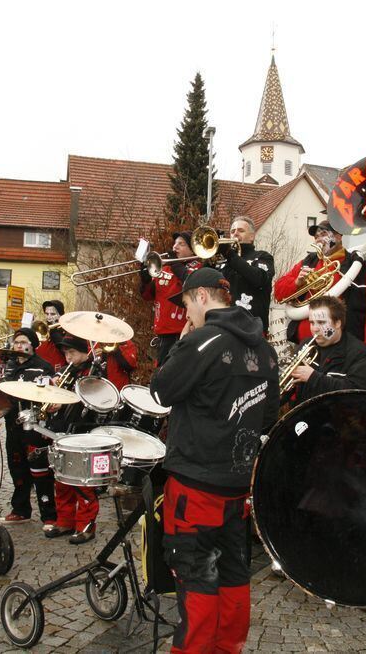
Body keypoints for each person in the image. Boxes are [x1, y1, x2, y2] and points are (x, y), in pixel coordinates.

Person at [151, 267, 280, 653]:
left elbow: (161, 392)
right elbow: (270, 414)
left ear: (202, 298)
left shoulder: (202, 340)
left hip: (196, 486)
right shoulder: (265, 347)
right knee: (233, 572)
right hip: (237, 485)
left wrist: (180, 343)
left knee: (196, 577)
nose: (185, 314)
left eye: (187, 304)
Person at [274, 221, 366, 352]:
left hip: (344, 349)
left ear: (338, 236)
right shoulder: (309, 262)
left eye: (324, 234)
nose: (319, 240)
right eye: (316, 237)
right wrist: (297, 283)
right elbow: (278, 292)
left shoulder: (363, 269)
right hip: (306, 346)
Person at [45, 334, 101, 544]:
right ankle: (65, 520)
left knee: (81, 481)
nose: (68, 357)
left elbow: (91, 399)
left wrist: (66, 399)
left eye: (73, 353)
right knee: (61, 478)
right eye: (66, 353)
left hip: (82, 429)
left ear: (85, 353)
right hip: (63, 429)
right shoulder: (68, 371)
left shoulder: (93, 371)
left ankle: (86, 525)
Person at [1, 328, 57, 527]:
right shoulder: (9, 366)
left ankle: (49, 514)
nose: (18, 345)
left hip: (34, 426)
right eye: (16, 342)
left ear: (32, 345)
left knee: (40, 470)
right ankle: (20, 509)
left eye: (23, 342)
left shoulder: (44, 367)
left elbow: (52, 393)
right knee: (17, 468)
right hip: (12, 424)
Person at [283, 295, 366, 406]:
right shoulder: (306, 345)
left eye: (321, 322)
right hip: (304, 417)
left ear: (338, 323)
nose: (315, 328)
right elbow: (289, 386)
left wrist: (313, 377)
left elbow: (356, 393)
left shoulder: (361, 355)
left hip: (339, 419)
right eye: (312, 323)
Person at [140, 231, 201, 365]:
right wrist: (144, 280)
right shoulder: (165, 268)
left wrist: (175, 264)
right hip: (163, 334)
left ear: (192, 250)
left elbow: (189, 282)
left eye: (181, 244)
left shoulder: (197, 267)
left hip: (183, 333)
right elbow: (148, 296)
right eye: (174, 243)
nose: (175, 247)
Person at [213, 215, 274, 334]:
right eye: (232, 231)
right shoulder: (222, 260)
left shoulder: (262, 256)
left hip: (251, 328)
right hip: (222, 326)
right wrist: (209, 258)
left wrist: (229, 254)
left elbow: (259, 279)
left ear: (252, 236)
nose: (235, 234)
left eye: (241, 230)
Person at [36, 300, 66, 373]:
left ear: (61, 315)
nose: (49, 317)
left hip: (57, 371)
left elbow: (66, 351)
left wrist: (56, 334)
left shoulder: (66, 331)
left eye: (52, 314)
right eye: (46, 314)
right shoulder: (43, 328)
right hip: (40, 369)